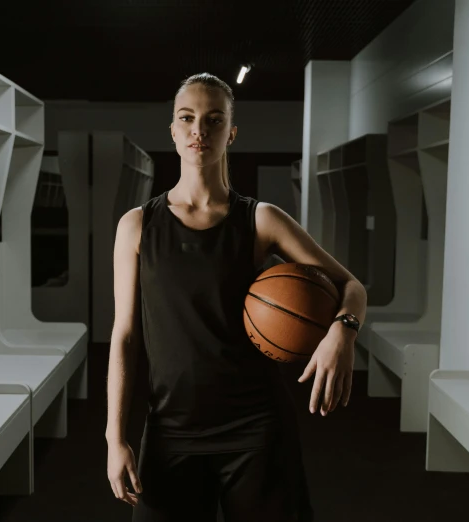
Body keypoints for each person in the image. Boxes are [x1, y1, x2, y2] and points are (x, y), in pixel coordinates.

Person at [106, 72, 368, 522]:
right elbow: (125, 337)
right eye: (187, 118)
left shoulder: (260, 219)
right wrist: (115, 437)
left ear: (231, 132)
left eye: (213, 120)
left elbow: (351, 286)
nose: (199, 131)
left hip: (255, 428)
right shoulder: (138, 226)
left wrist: (341, 334)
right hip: (171, 429)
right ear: (172, 130)